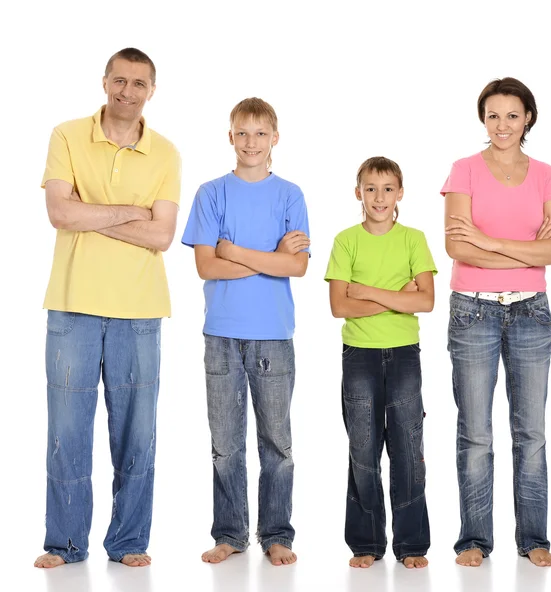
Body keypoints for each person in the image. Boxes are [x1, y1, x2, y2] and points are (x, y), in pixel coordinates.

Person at [34, 48, 181, 569]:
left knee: (136, 431)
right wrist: (125, 213)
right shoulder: (67, 135)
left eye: (138, 84)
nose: (127, 91)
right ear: (104, 82)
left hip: (139, 310)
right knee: (67, 429)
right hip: (72, 303)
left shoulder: (166, 153)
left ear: (151, 91)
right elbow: (58, 212)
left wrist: (88, 212)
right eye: (119, 81)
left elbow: (162, 235)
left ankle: (128, 543)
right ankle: (65, 543)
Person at [442, 77, 551, 568]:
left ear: (528, 119)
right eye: (493, 115)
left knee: (530, 431)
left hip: (531, 311)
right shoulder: (464, 171)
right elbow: (457, 247)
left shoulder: (546, 175)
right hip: (472, 309)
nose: (502, 125)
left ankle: (534, 539)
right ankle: (474, 539)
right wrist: (523, 249)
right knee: (476, 432)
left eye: (512, 116)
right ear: (483, 119)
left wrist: (490, 241)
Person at [181, 97, 310, 566]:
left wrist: (234, 251)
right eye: (242, 133)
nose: (251, 142)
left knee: (277, 443)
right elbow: (204, 265)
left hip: (273, 333)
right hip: (221, 334)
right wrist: (267, 256)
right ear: (230, 137)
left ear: (275, 138)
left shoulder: (290, 195)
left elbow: (295, 265)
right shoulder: (211, 193)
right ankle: (230, 533)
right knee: (225, 443)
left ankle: (277, 535)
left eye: (260, 133)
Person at [325, 156, 436, 569]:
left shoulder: (413, 239)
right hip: (360, 357)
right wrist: (395, 295)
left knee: (408, 449)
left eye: (388, 189)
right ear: (358, 193)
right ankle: (366, 544)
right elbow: (339, 306)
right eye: (370, 188)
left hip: (404, 354)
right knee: (364, 450)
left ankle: (411, 545)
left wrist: (365, 293)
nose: (379, 197)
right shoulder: (346, 241)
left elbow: (425, 300)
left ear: (400, 193)